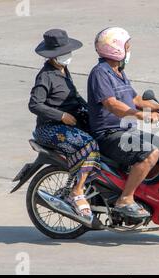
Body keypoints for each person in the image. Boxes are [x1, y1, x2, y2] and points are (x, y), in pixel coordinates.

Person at [88, 27, 159, 218]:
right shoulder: (100, 73)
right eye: (127, 46)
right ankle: (125, 199)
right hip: (108, 134)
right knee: (149, 153)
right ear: (115, 49)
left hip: (124, 131)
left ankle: (145, 194)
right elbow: (112, 104)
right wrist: (141, 116)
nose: (129, 50)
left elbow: (135, 99)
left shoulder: (118, 72)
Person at [29, 29, 100, 218]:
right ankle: (76, 191)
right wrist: (61, 116)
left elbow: (75, 98)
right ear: (52, 56)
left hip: (70, 122)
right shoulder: (46, 76)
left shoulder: (63, 70)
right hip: (50, 128)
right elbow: (35, 104)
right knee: (90, 146)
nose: (67, 56)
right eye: (62, 53)